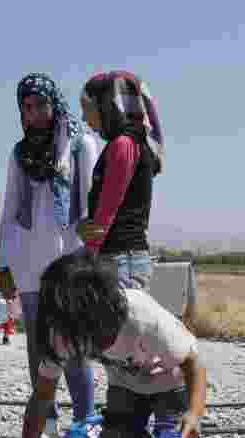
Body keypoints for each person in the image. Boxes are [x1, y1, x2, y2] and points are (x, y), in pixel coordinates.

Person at [12, 250, 206, 438]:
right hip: (125, 386)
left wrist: (194, 413)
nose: (94, 344)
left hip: (172, 382)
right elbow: (42, 396)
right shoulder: (66, 334)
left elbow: (192, 362)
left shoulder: (142, 317)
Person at [0, 73, 99, 438]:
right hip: (28, 265)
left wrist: (89, 263)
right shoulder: (19, 153)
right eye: (26, 107)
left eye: (40, 104)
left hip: (69, 262)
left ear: (54, 103)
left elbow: (90, 205)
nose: (33, 113)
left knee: (74, 345)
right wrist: (3, 263)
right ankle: (47, 421)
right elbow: (9, 210)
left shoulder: (79, 146)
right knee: (39, 349)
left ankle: (87, 420)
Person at [76, 71, 164, 290]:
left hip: (121, 261)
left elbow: (107, 211)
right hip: (123, 258)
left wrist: (90, 248)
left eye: (87, 109)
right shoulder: (132, 143)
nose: (84, 118)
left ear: (108, 105)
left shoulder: (122, 145)